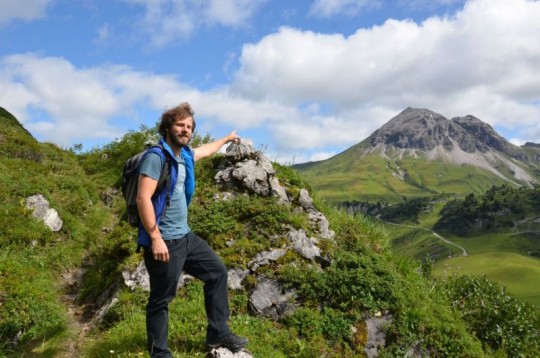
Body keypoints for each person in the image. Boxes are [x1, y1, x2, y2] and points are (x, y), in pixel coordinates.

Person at [136, 102, 248, 357]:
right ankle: (160, 353)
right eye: (180, 125)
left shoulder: (183, 154)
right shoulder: (156, 157)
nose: (185, 130)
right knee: (161, 300)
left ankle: (217, 332)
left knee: (217, 272)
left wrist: (227, 138)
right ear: (167, 127)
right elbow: (143, 199)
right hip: (164, 242)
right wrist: (155, 239)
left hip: (186, 237)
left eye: (189, 126)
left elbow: (205, 151)